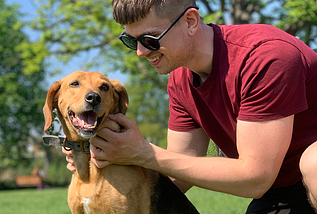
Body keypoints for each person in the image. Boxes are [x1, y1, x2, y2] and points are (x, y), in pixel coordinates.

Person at [63, 0, 317, 213]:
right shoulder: (180, 80)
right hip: (282, 188)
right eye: (131, 41)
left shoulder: (265, 57)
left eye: (150, 39)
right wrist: (109, 157)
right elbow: (179, 169)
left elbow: (256, 177)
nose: (140, 52)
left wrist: (144, 152)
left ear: (190, 22)